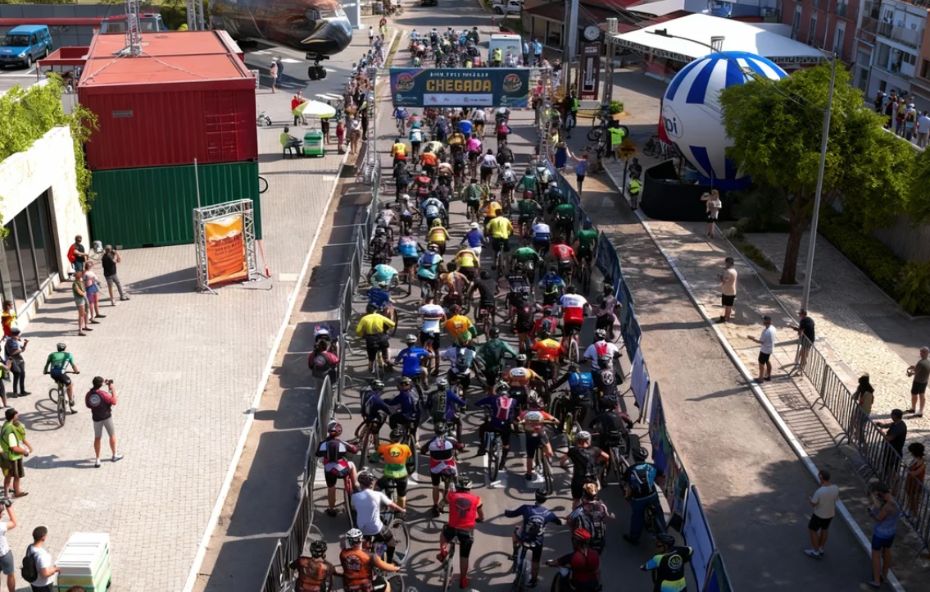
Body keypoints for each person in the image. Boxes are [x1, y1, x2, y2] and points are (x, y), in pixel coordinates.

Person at [505, 491, 562, 587]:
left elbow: (511, 514)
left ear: (535, 497)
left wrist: (506, 512)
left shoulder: (526, 508)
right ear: (545, 500)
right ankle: (534, 580)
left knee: (515, 532)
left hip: (523, 539)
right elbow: (558, 522)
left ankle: (515, 552)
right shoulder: (548, 513)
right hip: (537, 543)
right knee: (535, 562)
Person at [437, 476, 483, 589]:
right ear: (470, 488)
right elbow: (482, 516)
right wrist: (480, 519)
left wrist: (440, 508)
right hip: (467, 532)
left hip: (452, 529)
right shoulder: (477, 499)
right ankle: (463, 580)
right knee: (464, 556)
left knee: (443, 533)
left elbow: (441, 505)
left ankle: (443, 552)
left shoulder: (451, 496)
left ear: (457, 487)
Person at [353, 471, 405, 564]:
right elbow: (392, 505)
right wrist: (401, 510)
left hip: (361, 528)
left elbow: (354, 508)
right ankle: (388, 562)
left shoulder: (355, 496)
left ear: (360, 484)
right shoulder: (378, 495)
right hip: (376, 528)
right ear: (372, 483)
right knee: (391, 541)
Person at [622, 447, 666, 544]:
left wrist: (627, 497)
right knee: (659, 512)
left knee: (637, 516)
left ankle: (634, 537)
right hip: (652, 495)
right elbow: (661, 477)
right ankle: (664, 533)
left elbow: (627, 486)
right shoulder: (652, 466)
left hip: (638, 499)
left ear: (633, 457)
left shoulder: (630, 470)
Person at [420, 421, 464, 516]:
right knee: (455, 483)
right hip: (449, 466)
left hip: (435, 468)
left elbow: (422, 451)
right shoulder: (451, 441)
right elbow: (460, 447)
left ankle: (435, 506)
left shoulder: (431, 442)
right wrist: (462, 446)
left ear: (435, 431)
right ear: (445, 431)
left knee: (435, 486)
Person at [339, 528, 399, 592]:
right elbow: (384, 566)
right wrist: (395, 568)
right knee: (386, 584)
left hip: (349, 588)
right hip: (365, 588)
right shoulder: (368, 556)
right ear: (360, 540)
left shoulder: (343, 554)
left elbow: (343, 547)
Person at [561, 431, 608, 508]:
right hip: (591, 479)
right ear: (588, 440)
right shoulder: (595, 449)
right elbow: (606, 456)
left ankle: (574, 517)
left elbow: (563, 460)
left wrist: (563, 465)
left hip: (578, 479)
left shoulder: (573, 450)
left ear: (577, 440)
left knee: (576, 500)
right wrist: (597, 461)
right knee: (593, 497)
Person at [545, 528, 600, 592]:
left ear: (576, 541)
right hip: (593, 584)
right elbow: (596, 570)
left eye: (573, 539)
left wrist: (548, 563)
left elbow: (555, 562)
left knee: (560, 576)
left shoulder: (573, 557)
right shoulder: (595, 554)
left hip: (578, 586)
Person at [867, 482, 899, 589]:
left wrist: (871, 512)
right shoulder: (894, 500)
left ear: (880, 493)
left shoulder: (887, 506)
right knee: (887, 552)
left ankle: (876, 581)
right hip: (891, 533)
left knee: (876, 556)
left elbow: (878, 518)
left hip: (880, 534)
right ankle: (884, 576)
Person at [86, 377, 122, 468]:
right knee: (112, 435)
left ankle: (97, 459)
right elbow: (114, 401)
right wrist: (113, 389)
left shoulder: (89, 394)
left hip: (96, 418)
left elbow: (88, 405)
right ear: (101, 384)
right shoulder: (103, 394)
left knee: (97, 437)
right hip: (106, 417)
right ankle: (114, 455)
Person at [569, 483, 614, 554]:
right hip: (599, 541)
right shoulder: (602, 506)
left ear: (584, 494)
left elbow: (570, 521)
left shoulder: (580, 509)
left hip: (584, 542)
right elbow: (606, 518)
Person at [804, 469, 839, 559]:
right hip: (830, 514)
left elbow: (813, 504)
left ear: (821, 478)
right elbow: (836, 499)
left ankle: (815, 551)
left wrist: (809, 499)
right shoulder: (835, 488)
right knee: (825, 530)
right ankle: (821, 548)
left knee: (813, 530)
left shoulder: (820, 491)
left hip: (819, 515)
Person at [355, 305, 395, 373]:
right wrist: (386, 329)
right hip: (382, 337)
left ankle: (371, 366)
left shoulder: (364, 319)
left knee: (371, 357)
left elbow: (358, 331)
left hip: (371, 339)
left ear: (367, 311)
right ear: (375, 311)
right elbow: (392, 324)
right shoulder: (379, 316)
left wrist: (362, 335)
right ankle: (386, 360)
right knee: (385, 348)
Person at [0, 409, 30, 498]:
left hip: (6, 455)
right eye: (17, 415)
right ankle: (16, 492)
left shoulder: (5, 425)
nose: (18, 417)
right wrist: (25, 451)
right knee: (16, 476)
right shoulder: (11, 430)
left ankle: (6, 494)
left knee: (8, 476)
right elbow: (14, 447)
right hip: (13, 457)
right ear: (13, 417)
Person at [43, 343, 80, 412]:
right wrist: (76, 371)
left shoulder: (51, 355)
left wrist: (45, 371)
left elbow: (47, 364)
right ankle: (71, 401)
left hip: (53, 374)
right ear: (65, 348)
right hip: (61, 374)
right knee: (70, 384)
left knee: (58, 380)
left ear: (57, 348)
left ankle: (61, 397)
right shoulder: (69, 355)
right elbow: (73, 365)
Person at [748, 315, 776, 382]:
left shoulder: (766, 332)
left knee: (761, 363)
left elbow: (760, 341)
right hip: (770, 348)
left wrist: (752, 339)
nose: (763, 321)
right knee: (767, 361)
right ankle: (768, 376)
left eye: (764, 320)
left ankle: (761, 378)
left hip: (764, 350)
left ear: (766, 321)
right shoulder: (773, 328)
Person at [906, 346, 930, 417]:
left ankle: (913, 408)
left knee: (914, 394)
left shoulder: (921, 362)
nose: (920, 353)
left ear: (926, 353)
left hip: (917, 382)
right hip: (924, 382)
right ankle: (920, 411)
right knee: (922, 395)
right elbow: (921, 369)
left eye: (922, 352)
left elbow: (915, 372)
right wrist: (914, 367)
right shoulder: (928, 362)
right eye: (920, 352)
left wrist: (909, 373)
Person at [3, 330, 27, 397]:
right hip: (12, 360)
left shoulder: (17, 341)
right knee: (17, 373)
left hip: (19, 360)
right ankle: (15, 392)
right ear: (13, 335)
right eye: (17, 335)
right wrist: (21, 350)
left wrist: (25, 344)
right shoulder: (9, 342)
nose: (19, 336)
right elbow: (12, 353)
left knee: (22, 374)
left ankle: (22, 391)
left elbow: (22, 349)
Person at [905, 442, 926, 516]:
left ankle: (915, 515)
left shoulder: (922, 463)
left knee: (915, 501)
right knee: (910, 498)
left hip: (916, 485)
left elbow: (915, 473)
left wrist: (909, 471)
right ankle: (909, 511)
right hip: (911, 483)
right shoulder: (914, 460)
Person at [792, 308, 815, 374]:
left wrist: (798, 332)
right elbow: (806, 329)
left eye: (800, 314)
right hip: (811, 339)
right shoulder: (810, 319)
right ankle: (797, 362)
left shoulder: (803, 321)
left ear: (802, 314)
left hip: (806, 340)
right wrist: (796, 329)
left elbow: (800, 332)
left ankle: (801, 369)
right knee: (802, 352)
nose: (799, 315)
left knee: (804, 355)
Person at [0, 502, 16, 592]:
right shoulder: (1, 526)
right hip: (4, 554)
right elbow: (14, 522)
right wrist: (9, 506)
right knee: (10, 574)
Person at [718, 257, 737, 323]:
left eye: (726, 263)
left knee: (726, 306)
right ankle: (727, 317)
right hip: (731, 291)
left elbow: (724, 281)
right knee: (728, 306)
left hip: (728, 292)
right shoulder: (734, 270)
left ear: (728, 263)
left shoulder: (728, 272)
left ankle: (725, 318)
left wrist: (720, 276)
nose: (725, 264)